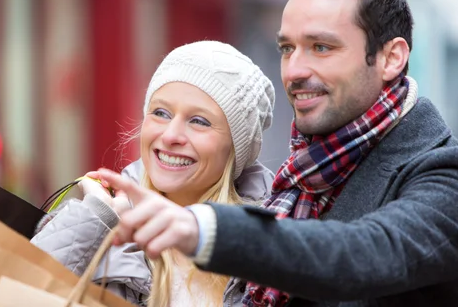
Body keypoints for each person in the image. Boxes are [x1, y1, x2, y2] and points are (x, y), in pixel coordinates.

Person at [97, 0, 458, 307]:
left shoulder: (456, 176)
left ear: (391, 58)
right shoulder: (305, 176)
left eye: (321, 47)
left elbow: (363, 252)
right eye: (288, 48)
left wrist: (203, 228)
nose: (294, 70)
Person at [31, 40, 276, 306]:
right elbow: (13, 295)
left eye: (199, 121)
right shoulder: (95, 222)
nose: (170, 135)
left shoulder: (271, 243)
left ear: (236, 147)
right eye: (160, 113)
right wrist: (97, 217)